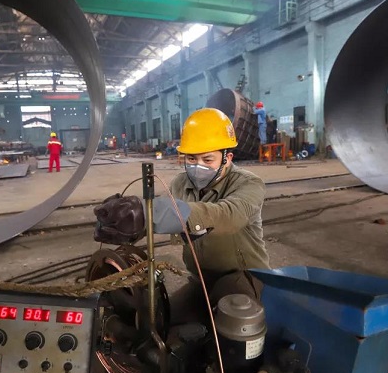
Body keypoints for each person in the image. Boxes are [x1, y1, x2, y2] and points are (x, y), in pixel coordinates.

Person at [94, 108, 270, 312]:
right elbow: (164, 213)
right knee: (168, 322)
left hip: (243, 277)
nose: (198, 166)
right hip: (201, 279)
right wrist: (130, 225)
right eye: (192, 159)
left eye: (207, 160)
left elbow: (229, 215)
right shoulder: (180, 183)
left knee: (232, 323)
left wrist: (150, 212)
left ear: (227, 158)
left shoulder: (249, 183)